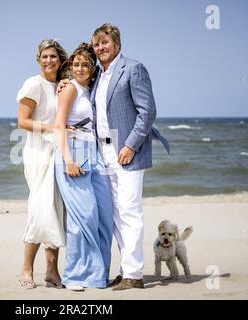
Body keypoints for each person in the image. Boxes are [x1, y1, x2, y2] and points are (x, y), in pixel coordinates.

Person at [90, 23, 170, 290]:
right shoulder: (98, 75)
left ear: (117, 44)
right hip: (104, 152)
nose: (100, 48)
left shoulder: (133, 69)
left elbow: (147, 112)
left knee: (129, 211)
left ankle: (135, 275)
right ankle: (127, 270)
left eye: (105, 43)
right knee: (115, 214)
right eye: (97, 44)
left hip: (127, 152)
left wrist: (131, 145)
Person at [54, 43, 114, 291]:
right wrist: (68, 159)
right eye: (75, 64)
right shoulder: (68, 89)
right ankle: (75, 276)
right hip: (73, 153)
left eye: (85, 64)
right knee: (82, 218)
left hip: (95, 154)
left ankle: (98, 275)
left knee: (104, 217)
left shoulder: (92, 89)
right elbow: (59, 126)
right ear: (70, 66)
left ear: (92, 68)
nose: (79, 68)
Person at [16, 39, 68, 289]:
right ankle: (26, 269)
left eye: (53, 56)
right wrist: (52, 128)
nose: (49, 61)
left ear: (60, 59)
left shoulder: (62, 85)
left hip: (58, 151)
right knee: (40, 208)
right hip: (38, 153)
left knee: (56, 209)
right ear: (39, 59)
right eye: (44, 56)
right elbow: (22, 122)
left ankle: (51, 272)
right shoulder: (33, 84)